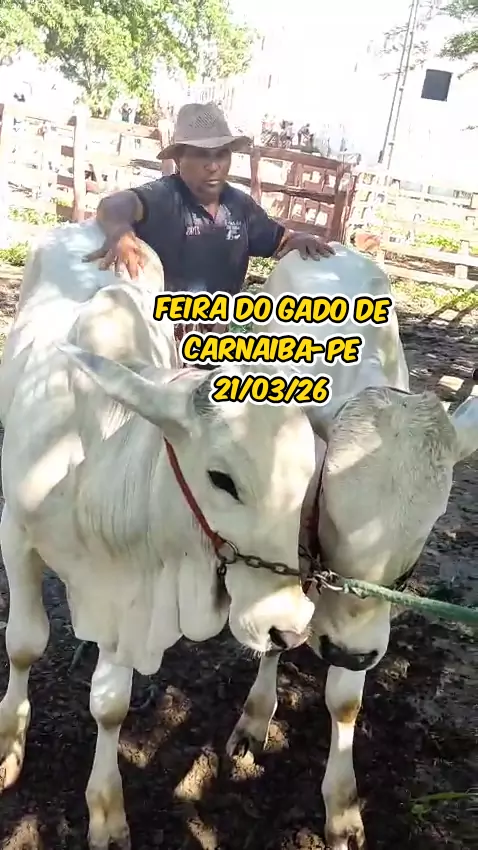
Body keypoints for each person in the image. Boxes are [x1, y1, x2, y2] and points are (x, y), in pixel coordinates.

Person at [86, 101, 335, 289]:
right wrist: (121, 233)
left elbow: (279, 240)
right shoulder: (164, 197)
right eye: (201, 154)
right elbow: (115, 203)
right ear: (178, 159)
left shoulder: (241, 207)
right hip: (163, 333)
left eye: (221, 154)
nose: (213, 166)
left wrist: (299, 239)